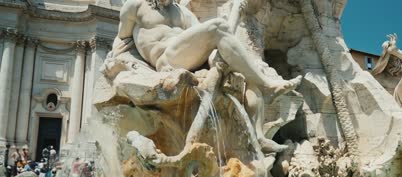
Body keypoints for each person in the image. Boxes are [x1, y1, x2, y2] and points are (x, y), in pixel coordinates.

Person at [110, 0, 302, 152]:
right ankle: (269, 84)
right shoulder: (134, 6)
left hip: (189, 57)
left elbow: (216, 35)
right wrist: (131, 67)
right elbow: (122, 42)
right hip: (166, 60)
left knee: (245, 76)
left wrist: (236, 12)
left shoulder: (180, 11)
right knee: (217, 27)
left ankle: (259, 136)